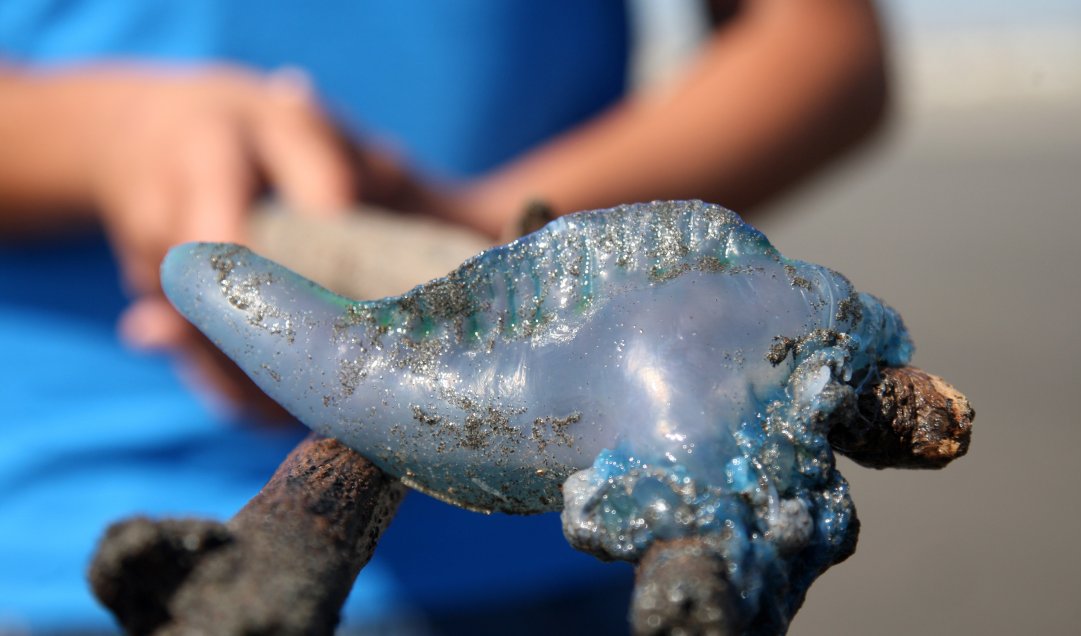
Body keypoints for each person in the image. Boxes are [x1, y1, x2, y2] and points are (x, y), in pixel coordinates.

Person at [0, 1, 888, 631]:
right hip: (74, 522)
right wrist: (106, 136)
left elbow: (819, 38)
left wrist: (494, 246)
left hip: (570, 555)